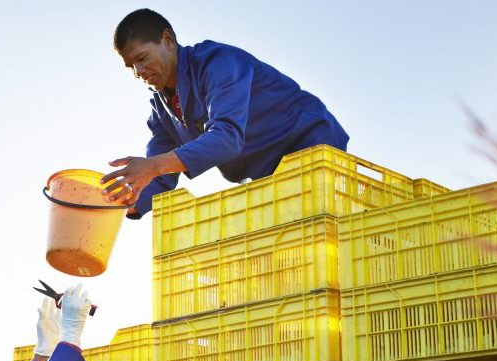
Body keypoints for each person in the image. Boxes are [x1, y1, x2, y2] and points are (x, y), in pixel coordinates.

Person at [101, 8, 349, 219]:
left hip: (310, 144)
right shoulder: (161, 112)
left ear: (168, 40)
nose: (138, 71)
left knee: (318, 236)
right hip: (265, 176)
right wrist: (118, 205)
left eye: (142, 58)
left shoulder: (216, 63)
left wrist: (153, 166)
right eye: (130, 66)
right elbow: (158, 177)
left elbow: (227, 137)